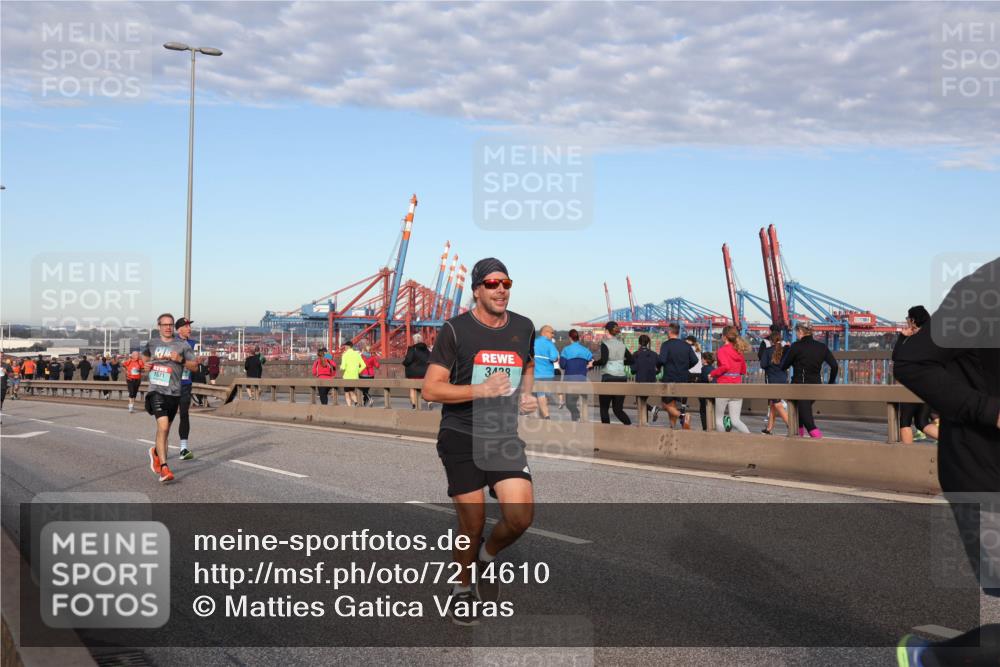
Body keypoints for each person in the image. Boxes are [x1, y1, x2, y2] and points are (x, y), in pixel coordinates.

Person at [893, 258, 1000, 667]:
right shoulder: (985, 290)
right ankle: (931, 660)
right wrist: (990, 410)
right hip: (984, 470)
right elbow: (913, 361)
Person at [421, 257, 537, 626]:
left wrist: (526, 394)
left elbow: (528, 364)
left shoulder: (524, 326)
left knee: (520, 517)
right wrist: (480, 389)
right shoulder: (455, 330)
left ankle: (486, 557)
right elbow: (431, 389)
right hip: (460, 434)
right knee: (471, 523)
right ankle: (461, 586)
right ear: (476, 290)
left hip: (502, 435)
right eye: (492, 283)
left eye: (506, 282)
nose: (501, 288)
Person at [142, 313, 197, 484]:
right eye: (164, 324)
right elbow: (144, 361)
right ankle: (164, 468)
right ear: (158, 326)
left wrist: (179, 359)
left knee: (164, 432)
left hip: (174, 392)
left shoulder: (182, 345)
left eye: (170, 324)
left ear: (173, 326)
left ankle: (156, 453)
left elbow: (194, 367)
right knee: (163, 426)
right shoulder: (152, 343)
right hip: (156, 390)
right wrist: (145, 366)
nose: (167, 327)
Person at [780, 322, 838, 438]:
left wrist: (786, 349)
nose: (796, 335)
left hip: (799, 387)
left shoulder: (796, 346)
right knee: (801, 418)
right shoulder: (822, 347)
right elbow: (834, 366)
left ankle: (821, 445)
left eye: (796, 332)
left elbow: (783, 366)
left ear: (800, 332)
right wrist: (831, 383)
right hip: (816, 386)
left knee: (809, 423)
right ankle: (799, 446)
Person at [895, 306, 940, 443]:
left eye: (908, 319)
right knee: (921, 422)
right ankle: (953, 442)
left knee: (905, 422)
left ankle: (908, 457)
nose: (907, 321)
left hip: (912, 383)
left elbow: (896, 356)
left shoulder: (915, 339)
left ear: (913, 320)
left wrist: (902, 337)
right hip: (930, 383)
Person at [654, 325, 699, 428]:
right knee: (672, 405)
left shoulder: (666, 345)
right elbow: (695, 360)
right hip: (683, 378)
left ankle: (682, 416)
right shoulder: (686, 345)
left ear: (670, 332)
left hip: (669, 378)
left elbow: (661, 360)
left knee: (665, 404)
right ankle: (672, 427)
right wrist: (686, 367)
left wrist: (657, 367)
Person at [710, 326, 751, 433]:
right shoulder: (739, 350)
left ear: (724, 337)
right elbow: (743, 370)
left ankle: (723, 443)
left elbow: (725, 366)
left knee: (718, 420)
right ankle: (751, 438)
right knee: (736, 420)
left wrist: (712, 374)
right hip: (737, 387)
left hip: (724, 386)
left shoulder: (722, 350)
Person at [592, 321, 632, 425]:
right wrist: (620, 362)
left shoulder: (605, 344)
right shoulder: (622, 345)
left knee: (604, 408)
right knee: (618, 410)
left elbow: (604, 361)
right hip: (622, 379)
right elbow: (631, 360)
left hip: (609, 378)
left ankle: (606, 433)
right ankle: (630, 428)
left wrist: (593, 363)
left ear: (606, 331)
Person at [759, 330, 791, 435]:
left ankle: (791, 425)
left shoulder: (768, 351)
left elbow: (763, 365)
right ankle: (769, 428)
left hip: (773, 379)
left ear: (771, 340)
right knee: (773, 404)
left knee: (777, 404)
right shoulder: (784, 350)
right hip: (783, 379)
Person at [175, 318, 198, 460]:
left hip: (186, 383)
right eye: (186, 326)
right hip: (171, 385)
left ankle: (183, 448)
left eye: (190, 326)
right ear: (179, 329)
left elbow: (194, 363)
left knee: (184, 415)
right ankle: (160, 448)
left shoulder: (193, 344)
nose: (189, 328)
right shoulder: (171, 342)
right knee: (168, 418)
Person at [559, 329, 594, 422]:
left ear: (570, 338)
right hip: (582, 379)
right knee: (579, 402)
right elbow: (592, 364)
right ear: (578, 338)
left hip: (569, 379)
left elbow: (562, 365)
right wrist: (586, 368)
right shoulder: (585, 350)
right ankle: (576, 422)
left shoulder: (566, 350)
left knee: (570, 404)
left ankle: (576, 417)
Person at [630, 334, 661, 421]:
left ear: (639, 342)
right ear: (648, 343)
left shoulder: (636, 354)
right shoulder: (654, 354)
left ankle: (645, 420)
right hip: (651, 381)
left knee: (639, 401)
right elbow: (659, 368)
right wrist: (654, 372)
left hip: (640, 380)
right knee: (643, 401)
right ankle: (650, 414)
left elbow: (633, 370)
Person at [532, 325, 559, 419]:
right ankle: (547, 416)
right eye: (552, 333)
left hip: (535, 374)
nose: (553, 335)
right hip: (547, 374)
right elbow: (554, 358)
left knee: (539, 395)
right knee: (543, 395)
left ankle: (540, 417)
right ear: (545, 332)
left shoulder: (533, 342)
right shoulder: (549, 344)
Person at [402, 334, 430, 409]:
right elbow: (430, 359)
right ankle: (429, 401)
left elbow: (408, 360)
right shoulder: (426, 349)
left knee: (412, 389)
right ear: (421, 340)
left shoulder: (412, 349)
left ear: (414, 340)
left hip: (413, 373)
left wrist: (404, 363)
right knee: (424, 387)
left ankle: (414, 405)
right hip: (424, 373)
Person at [339, 341, 366, 407]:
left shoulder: (345, 355)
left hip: (347, 377)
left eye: (345, 346)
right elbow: (364, 365)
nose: (344, 347)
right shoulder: (357, 354)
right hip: (355, 377)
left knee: (346, 393)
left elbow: (343, 367)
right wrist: (357, 371)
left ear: (347, 346)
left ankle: (349, 408)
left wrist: (340, 367)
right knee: (351, 391)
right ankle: (356, 403)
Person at [697, 351, 716, 430]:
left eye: (702, 358)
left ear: (705, 360)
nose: (701, 360)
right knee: (712, 410)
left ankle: (705, 427)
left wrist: (697, 380)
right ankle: (713, 426)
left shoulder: (704, 369)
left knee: (703, 411)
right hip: (714, 392)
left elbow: (704, 379)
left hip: (705, 393)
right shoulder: (713, 369)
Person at [359, 342, 380, 407]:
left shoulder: (361, 357)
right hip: (371, 375)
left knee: (362, 389)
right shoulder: (372, 357)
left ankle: (370, 398)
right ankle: (365, 403)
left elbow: (358, 365)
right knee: (366, 389)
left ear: (364, 349)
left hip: (363, 374)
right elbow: (377, 366)